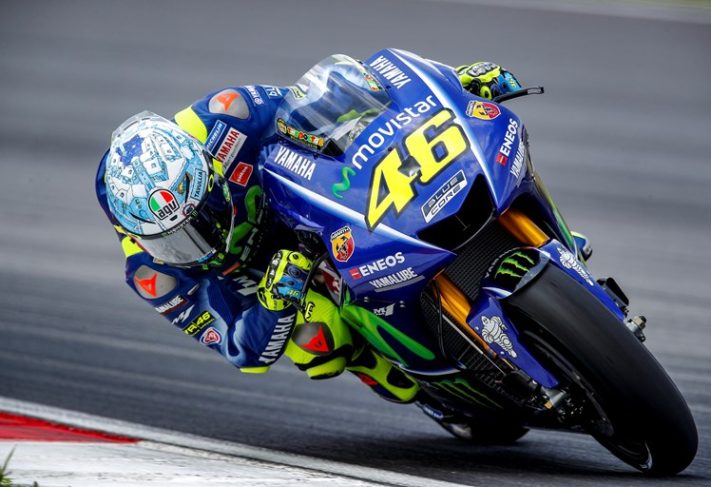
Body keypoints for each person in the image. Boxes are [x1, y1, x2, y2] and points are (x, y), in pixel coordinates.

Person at [95, 52, 526, 438]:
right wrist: (274, 301)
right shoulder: (152, 274)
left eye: (201, 219)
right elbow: (243, 351)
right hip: (263, 275)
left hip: (307, 205)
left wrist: (454, 83)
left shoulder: (229, 116)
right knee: (316, 343)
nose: (198, 244)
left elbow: (329, 102)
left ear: (209, 172)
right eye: (172, 242)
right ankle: (429, 391)